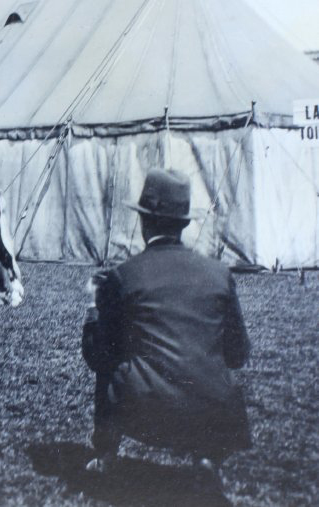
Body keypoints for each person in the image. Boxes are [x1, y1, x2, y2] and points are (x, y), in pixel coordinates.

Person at [81, 168, 251, 487]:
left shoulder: (123, 276)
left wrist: (93, 306)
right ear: (183, 224)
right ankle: (207, 458)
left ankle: (106, 454)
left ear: (144, 221)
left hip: (145, 412)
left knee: (111, 361)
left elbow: (98, 356)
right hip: (213, 414)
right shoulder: (219, 274)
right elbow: (238, 354)